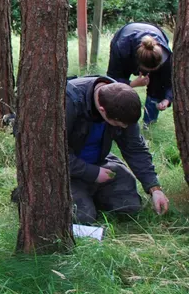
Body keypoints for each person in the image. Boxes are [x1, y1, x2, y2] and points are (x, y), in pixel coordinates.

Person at [66, 76, 170, 223]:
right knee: (83, 218)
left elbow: (135, 148)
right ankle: (82, 199)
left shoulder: (123, 102)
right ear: (102, 109)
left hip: (100, 162)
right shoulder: (69, 102)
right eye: (118, 124)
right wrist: (92, 173)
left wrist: (154, 188)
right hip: (66, 171)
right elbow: (51, 156)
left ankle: (88, 196)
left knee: (130, 206)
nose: (125, 128)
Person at [107, 22, 173, 127]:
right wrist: (132, 83)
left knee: (156, 87)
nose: (150, 73)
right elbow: (112, 82)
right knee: (120, 90)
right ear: (138, 65)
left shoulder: (165, 56)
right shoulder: (122, 49)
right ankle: (119, 121)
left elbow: (169, 81)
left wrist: (167, 99)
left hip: (154, 32)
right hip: (125, 36)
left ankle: (149, 124)